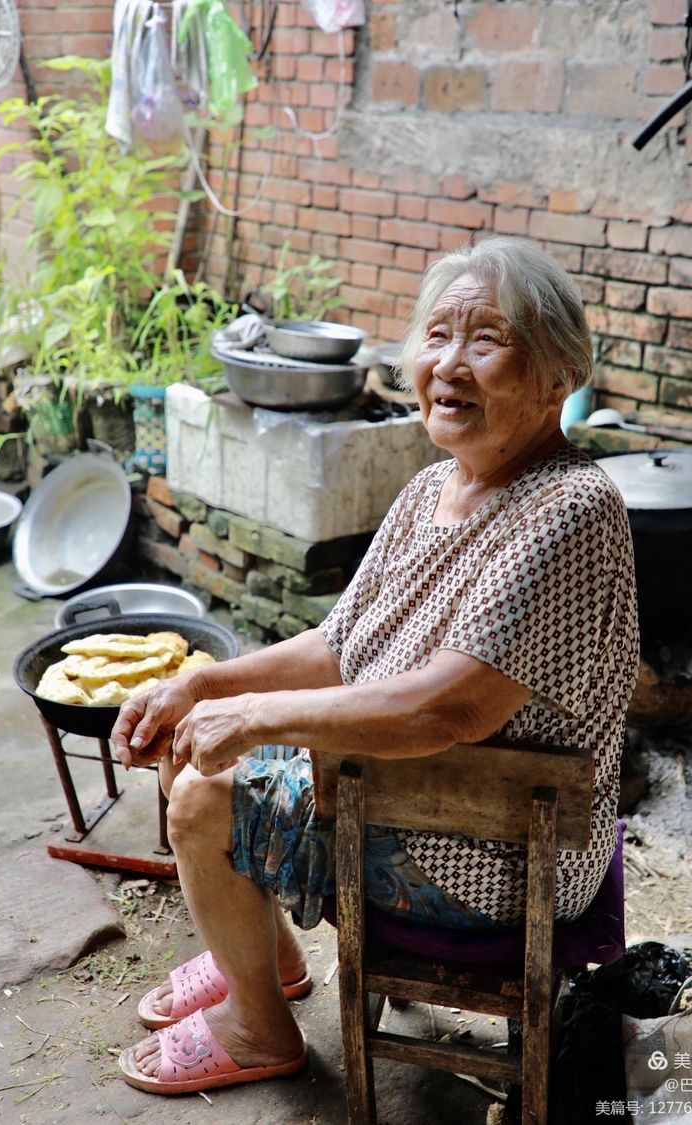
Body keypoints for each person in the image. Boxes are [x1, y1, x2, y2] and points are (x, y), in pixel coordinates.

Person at [113, 235, 639, 1096]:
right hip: (412, 790)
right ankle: (267, 960)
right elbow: (339, 644)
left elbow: (447, 711)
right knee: (190, 737)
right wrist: (204, 683)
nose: (449, 364)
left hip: (491, 845)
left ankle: (259, 1028)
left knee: (206, 794)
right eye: (437, 336)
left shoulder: (568, 508)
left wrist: (255, 720)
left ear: (556, 375)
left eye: (485, 340)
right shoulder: (434, 485)